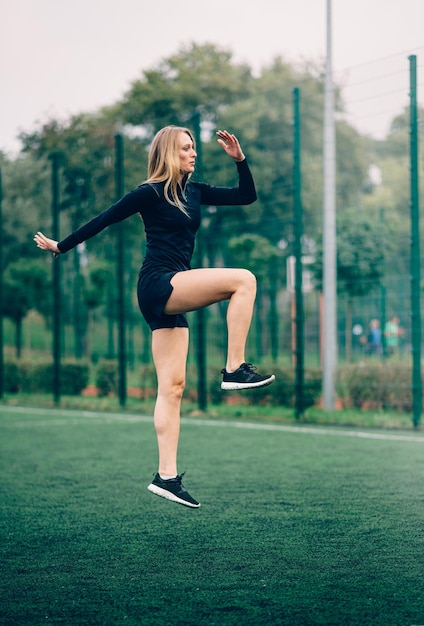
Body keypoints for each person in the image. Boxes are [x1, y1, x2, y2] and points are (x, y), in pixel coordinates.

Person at [34, 126, 275, 509]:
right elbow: (105, 219)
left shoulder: (195, 192)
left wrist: (239, 160)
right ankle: (234, 368)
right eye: (185, 148)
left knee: (173, 387)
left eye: (194, 147)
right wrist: (61, 246)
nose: (193, 153)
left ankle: (166, 476)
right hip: (159, 284)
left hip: (170, 292)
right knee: (244, 280)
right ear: (167, 153)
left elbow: (247, 196)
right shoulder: (149, 192)